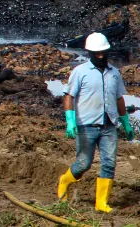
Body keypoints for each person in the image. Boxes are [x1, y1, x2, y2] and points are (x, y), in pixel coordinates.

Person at [57, 32, 134, 213]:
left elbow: (119, 99)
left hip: (109, 126)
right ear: (90, 52)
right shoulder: (80, 72)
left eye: (103, 52)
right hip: (86, 125)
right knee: (84, 163)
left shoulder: (114, 73)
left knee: (109, 163)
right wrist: (70, 121)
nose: (100, 56)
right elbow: (69, 96)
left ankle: (101, 203)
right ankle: (64, 181)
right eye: (96, 53)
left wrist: (126, 122)